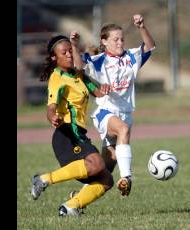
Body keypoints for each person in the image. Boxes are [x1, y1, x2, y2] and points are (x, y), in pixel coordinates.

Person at [72, 14, 156, 197]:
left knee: (106, 170)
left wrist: (142, 27)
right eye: (115, 39)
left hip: (125, 113)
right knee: (123, 129)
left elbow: (150, 46)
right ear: (105, 41)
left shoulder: (132, 57)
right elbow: (78, 66)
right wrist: (74, 45)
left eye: (122, 39)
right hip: (106, 113)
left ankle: (77, 198)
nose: (120, 43)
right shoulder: (99, 60)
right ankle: (127, 178)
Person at [30, 34, 113, 217]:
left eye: (70, 51)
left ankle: (70, 207)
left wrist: (105, 88)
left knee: (106, 179)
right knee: (97, 164)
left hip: (78, 134)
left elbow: (97, 92)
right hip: (66, 133)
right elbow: (50, 107)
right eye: (64, 52)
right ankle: (43, 179)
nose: (68, 55)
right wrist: (53, 117)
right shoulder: (57, 77)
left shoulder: (78, 75)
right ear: (54, 57)